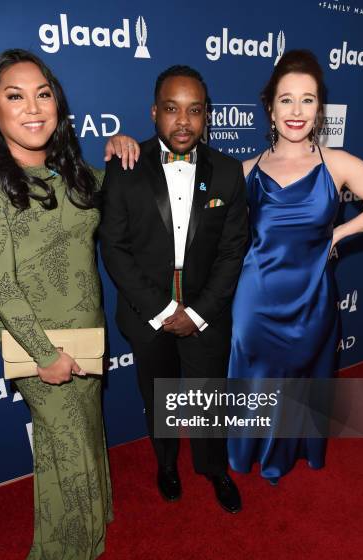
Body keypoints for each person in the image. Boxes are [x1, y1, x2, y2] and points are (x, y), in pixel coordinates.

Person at [105, 50, 363, 485]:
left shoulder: (335, 163)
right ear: (270, 107)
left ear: (320, 108)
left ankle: (242, 460)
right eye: (286, 100)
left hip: (309, 296)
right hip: (252, 299)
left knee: (297, 375)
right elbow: (206, 244)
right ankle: (192, 460)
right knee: (231, 382)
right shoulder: (242, 170)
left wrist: (336, 236)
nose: (296, 111)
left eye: (307, 100)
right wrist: (119, 140)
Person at [0, 49, 112, 560]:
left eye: (43, 94)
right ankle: (68, 548)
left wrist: (123, 149)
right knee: (66, 444)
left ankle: (95, 520)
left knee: (83, 433)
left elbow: (125, 191)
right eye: (15, 96)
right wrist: (46, 355)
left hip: (89, 333)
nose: (33, 108)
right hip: (40, 345)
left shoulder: (72, 175)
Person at [99, 65, 249, 513]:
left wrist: (197, 313)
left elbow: (232, 251)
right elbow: (115, 248)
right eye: (171, 109)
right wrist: (164, 312)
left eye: (194, 110)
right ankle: (166, 465)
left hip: (208, 312)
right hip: (148, 315)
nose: (183, 121)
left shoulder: (227, 172)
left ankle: (214, 468)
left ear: (206, 116)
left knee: (208, 398)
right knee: (158, 395)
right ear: (154, 112)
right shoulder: (125, 167)